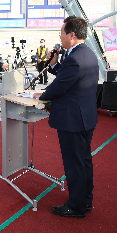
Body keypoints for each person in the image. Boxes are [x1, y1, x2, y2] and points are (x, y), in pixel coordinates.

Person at [33, 17, 99, 219]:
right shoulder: (86, 53)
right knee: (84, 161)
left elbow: (59, 86)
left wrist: (41, 95)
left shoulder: (74, 58)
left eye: (61, 33)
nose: (60, 38)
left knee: (74, 164)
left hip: (73, 119)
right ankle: (85, 200)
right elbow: (67, 76)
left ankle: (76, 206)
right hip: (85, 116)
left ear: (71, 35)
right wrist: (52, 64)